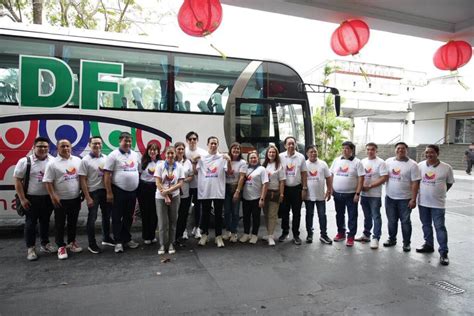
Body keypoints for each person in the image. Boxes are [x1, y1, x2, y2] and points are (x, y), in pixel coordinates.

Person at [13, 137, 56, 261]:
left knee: (45, 222)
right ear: (34, 147)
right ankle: (31, 248)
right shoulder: (25, 161)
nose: (42, 149)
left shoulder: (52, 161)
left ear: (48, 148)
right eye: (40, 146)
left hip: (47, 198)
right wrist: (22, 199)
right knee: (30, 223)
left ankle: (45, 244)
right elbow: (17, 180)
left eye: (45, 147)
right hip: (31, 199)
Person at [43, 139, 82, 260]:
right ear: (57, 148)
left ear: (71, 147)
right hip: (60, 200)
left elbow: (81, 178)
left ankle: (72, 242)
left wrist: (83, 192)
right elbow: (47, 182)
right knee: (60, 224)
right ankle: (61, 246)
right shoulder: (52, 163)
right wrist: (53, 196)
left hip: (75, 198)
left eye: (67, 146)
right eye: (62, 146)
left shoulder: (77, 160)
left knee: (73, 222)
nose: (65, 148)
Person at [416, 145, 454, 266]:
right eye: (427, 152)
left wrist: (440, 192)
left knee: (440, 227)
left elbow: (449, 183)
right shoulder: (420, 166)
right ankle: (428, 245)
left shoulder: (446, 168)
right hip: (422, 202)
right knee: (426, 225)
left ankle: (443, 253)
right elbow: (416, 182)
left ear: (437, 153)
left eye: (431, 152)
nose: (429, 154)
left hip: (438, 204)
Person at [104, 132, 141, 253]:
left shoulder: (135, 155)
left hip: (132, 192)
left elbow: (138, 171)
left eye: (130, 141)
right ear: (120, 141)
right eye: (126, 141)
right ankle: (118, 241)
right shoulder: (113, 155)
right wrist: (109, 192)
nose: (128, 143)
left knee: (128, 217)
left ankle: (127, 239)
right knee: (116, 217)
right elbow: (107, 175)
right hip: (118, 191)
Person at [79, 136, 114, 254]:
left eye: (99, 143)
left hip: (105, 191)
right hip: (93, 192)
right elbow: (82, 179)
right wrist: (87, 197)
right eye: (94, 144)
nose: (97, 146)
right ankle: (91, 244)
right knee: (92, 218)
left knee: (106, 216)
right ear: (89, 145)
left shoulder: (106, 158)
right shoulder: (85, 160)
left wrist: (109, 191)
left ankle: (106, 238)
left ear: (102, 145)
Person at [193, 136, 230, 248]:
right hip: (205, 190)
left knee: (218, 214)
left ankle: (218, 236)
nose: (213, 145)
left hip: (218, 190)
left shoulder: (222, 158)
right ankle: (204, 235)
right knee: (205, 214)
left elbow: (229, 172)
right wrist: (194, 162)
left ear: (218, 145)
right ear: (207, 144)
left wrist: (228, 160)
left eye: (215, 143)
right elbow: (195, 172)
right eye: (211, 143)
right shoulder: (202, 158)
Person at [384, 142, 421, 252]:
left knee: (405, 222)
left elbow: (415, 183)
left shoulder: (413, 164)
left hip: (405, 199)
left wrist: (413, 199)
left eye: (403, 148)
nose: (400, 150)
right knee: (391, 221)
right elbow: (384, 176)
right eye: (398, 148)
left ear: (407, 150)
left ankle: (406, 243)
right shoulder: (388, 162)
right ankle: (392, 239)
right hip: (390, 198)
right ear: (395, 150)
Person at [330, 141, 365, 247]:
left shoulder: (357, 162)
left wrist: (357, 193)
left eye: (347, 148)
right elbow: (331, 175)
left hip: (351, 195)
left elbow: (361, 178)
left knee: (352, 216)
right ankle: (341, 233)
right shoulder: (336, 161)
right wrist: (330, 188)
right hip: (337, 194)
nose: (345, 150)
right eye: (343, 148)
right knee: (339, 215)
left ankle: (351, 237)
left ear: (352, 150)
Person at [355, 142, 388, 249]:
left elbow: (384, 177)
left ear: (376, 151)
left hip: (375, 195)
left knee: (376, 216)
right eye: (368, 149)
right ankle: (366, 235)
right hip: (364, 194)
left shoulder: (381, 162)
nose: (370, 151)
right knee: (367, 216)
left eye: (372, 149)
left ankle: (376, 238)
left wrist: (370, 185)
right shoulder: (362, 161)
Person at [155, 146, 184, 255]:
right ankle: (162, 244)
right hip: (160, 197)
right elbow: (157, 182)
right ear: (164, 154)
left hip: (175, 196)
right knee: (162, 222)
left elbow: (180, 183)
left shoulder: (179, 167)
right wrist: (166, 195)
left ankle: (171, 243)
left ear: (175, 154)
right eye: (168, 153)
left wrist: (169, 191)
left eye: (172, 153)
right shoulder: (160, 166)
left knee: (173, 221)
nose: (170, 155)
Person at [279, 136, 308, 245]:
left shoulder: (300, 157)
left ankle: (296, 234)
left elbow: (304, 173)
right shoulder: (280, 156)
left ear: (295, 145)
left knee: (297, 213)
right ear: (285, 145)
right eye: (289, 144)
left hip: (297, 188)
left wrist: (304, 188)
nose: (291, 145)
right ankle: (285, 232)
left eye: (293, 143)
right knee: (284, 212)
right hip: (284, 189)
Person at [304, 145, 333, 245]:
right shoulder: (304, 164)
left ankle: (323, 235)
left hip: (320, 196)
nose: (313, 153)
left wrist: (329, 190)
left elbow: (329, 178)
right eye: (311, 152)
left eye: (315, 151)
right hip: (308, 196)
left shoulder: (323, 164)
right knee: (309, 215)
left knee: (322, 215)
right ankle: (309, 234)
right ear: (307, 153)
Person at [240, 151, 268, 244]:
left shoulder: (262, 169)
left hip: (256, 198)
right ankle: (246, 233)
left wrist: (262, 198)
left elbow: (265, 184)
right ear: (248, 160)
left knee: (256, 217)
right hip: (245, 197)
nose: (253, 159)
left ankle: (254, 235)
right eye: (251, 158)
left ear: (258, 159)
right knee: (246, 217)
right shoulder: (245, 169)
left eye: (254, 157)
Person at [185, 131, 207, 239]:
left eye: (194, 139)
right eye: (190, 139)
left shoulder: (203, 152)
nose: (192, 141)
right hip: (186, 186)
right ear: (187, 141)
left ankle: (197, 228)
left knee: (198, 208)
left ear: (197, 140)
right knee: (184, 208)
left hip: (199, 185)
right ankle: (183, 230)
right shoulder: (183, 152)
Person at [262, 144, 285, 246]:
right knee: (266, 214)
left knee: (272, 215)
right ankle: (268, 233)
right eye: (270, 152)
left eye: (273, 152)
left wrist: (281, 194)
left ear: (276, 154)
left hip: (274, 193)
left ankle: (271, 236)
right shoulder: (264, 165)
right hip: (265, 193)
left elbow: (282, 182)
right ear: (267, 154)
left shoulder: (279, 166)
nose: (271, 154)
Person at [223, 142, 247, 243]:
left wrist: (237, 191)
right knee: (227, 211)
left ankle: (234, 232)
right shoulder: (225, 160)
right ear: (230, 150)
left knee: (235, 212)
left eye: (238, 149)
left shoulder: (242, 162)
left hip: (236, 187)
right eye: (234, 149)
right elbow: (228, 172)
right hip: (226, 188)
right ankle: (228, 231)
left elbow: (242, 177)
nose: (236, 150)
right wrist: (228, 161)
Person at [137, 143, 160, 245]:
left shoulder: (161, 163)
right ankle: (146, 235)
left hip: (156, 188)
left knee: (155, 213)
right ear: (147, 151)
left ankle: (152, 235)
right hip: (144, 188)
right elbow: (138, 175)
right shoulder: (142, 162)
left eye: (155, 150)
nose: (152, 151)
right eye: (150, 149)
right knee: (145, 213)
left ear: (158, 152)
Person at [175, 142, 194, 244]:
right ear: (175, 150)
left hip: (185, 192)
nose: (181, 151)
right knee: (174, 215)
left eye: (182, 149)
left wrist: (185, 180)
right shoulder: (171, 161)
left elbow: (192, 175)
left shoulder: (187, 162)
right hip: (174, 193)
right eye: (178, 149)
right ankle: (172, 236)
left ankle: (180, 234)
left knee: (183, 215)